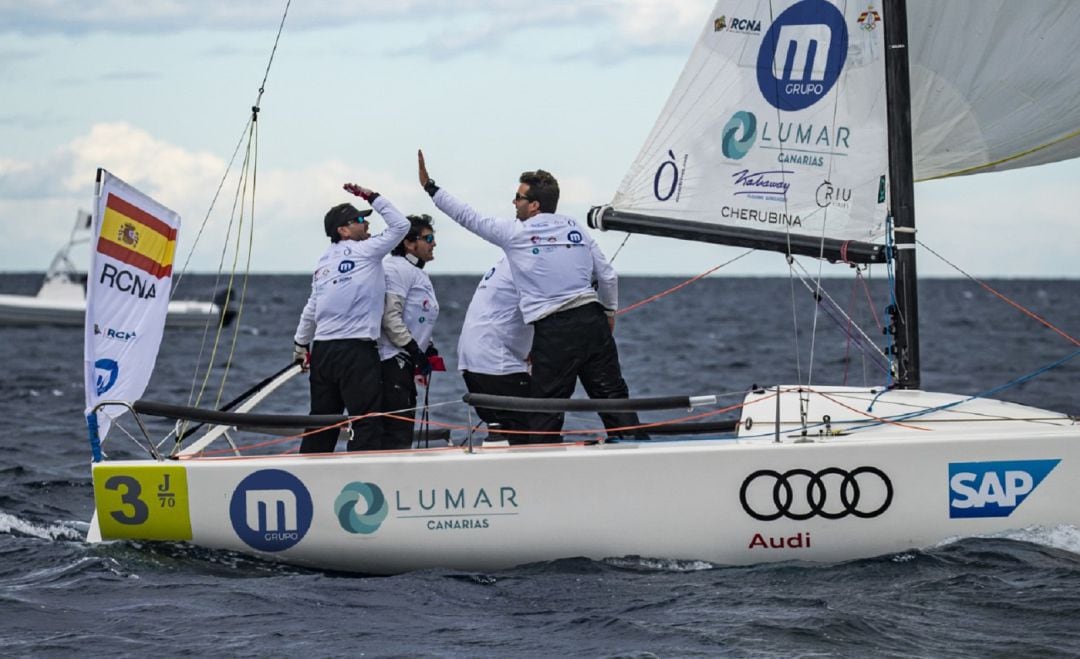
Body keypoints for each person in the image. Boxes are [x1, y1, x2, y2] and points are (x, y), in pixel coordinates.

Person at [417, 150, 646, 442]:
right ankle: (637, 451)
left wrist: (431, 188)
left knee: (546, 406)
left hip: (555, 328)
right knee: (612, 396)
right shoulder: (576, 227)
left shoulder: (516, 232)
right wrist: (610, 314)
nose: (514, 202)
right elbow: (608, 276)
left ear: (535, 205)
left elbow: (467, 216)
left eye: (519, 197)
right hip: (592, 319)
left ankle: (539, 469)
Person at [292, 183, 409, 453]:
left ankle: (309, 474)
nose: (366, 223)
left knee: (322, 420)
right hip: (356, 350)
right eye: (359, 219)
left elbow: (312, 306)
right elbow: (400, 226)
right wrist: (372, 196)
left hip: (323, 351)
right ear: (342, 230)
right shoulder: (366, 250)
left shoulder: (323, 261)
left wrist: (300, 345)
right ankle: (362, 483)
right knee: (365, 420)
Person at [376, 214, 441, 449]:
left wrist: (428, 346)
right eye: (429, 238)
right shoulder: (395, 268)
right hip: (392, 362)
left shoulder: (418, 272)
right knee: (396, 435)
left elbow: (417, 316)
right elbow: (390, 317)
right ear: (409, 243)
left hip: (405, 363)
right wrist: (415, 350)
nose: (434, 243)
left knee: (403, 433)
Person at [458, 256, 534, 444]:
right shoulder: (528, 263)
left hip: (471, 361)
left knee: (500, 428)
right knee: (534, 426)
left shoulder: (505, 263)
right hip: (497, 363)